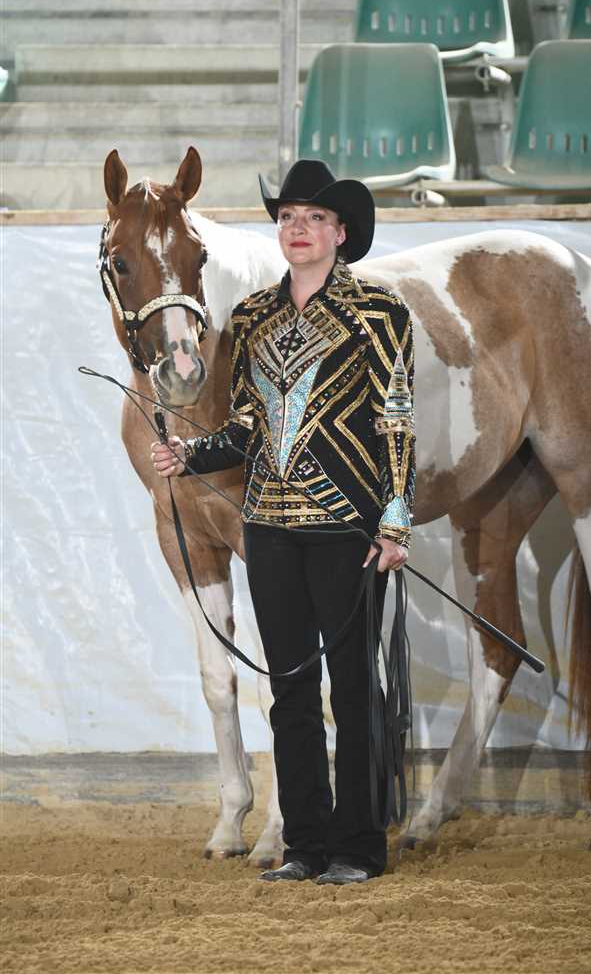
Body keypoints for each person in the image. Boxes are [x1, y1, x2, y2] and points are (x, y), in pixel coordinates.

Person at [151, 160, 415, 885]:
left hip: (347, 529)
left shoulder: (379, 312)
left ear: (341, 232)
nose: (298, 228)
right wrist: (189, 454)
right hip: (268, 528)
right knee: (291, 688)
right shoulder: (250, 318)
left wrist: (395, 520)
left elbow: (395, 419)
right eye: (289, 216)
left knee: (353, 688)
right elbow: (246, 426)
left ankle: (358, 847)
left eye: (314, 218)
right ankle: (305, 843)